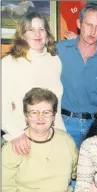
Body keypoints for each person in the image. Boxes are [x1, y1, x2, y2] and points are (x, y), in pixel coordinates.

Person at [2, 12, 65, 155]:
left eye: (41, 29)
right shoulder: (8, 63)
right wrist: (16, 134)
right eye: (31, 29)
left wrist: (62, 136)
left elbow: (57, 106)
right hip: (22, 141)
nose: (38, 33)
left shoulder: (55, 60)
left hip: (53, 138)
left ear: (47, 33)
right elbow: (2, 107)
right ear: (23, 34)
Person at [2, 88, 78, 192]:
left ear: (53, 116)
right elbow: (4, 190)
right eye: (34, 112)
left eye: (46, 112)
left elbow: (79, 173)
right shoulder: (12, 147)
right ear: (26, 117)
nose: (40, 117)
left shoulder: (66, 140)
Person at [56, 3, 97, 149]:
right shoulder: (61, 49)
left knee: (94, 171)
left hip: (96, 125)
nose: (93, 31)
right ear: (79, 24)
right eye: (89, 25)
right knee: (66, 170)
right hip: (64, 123)